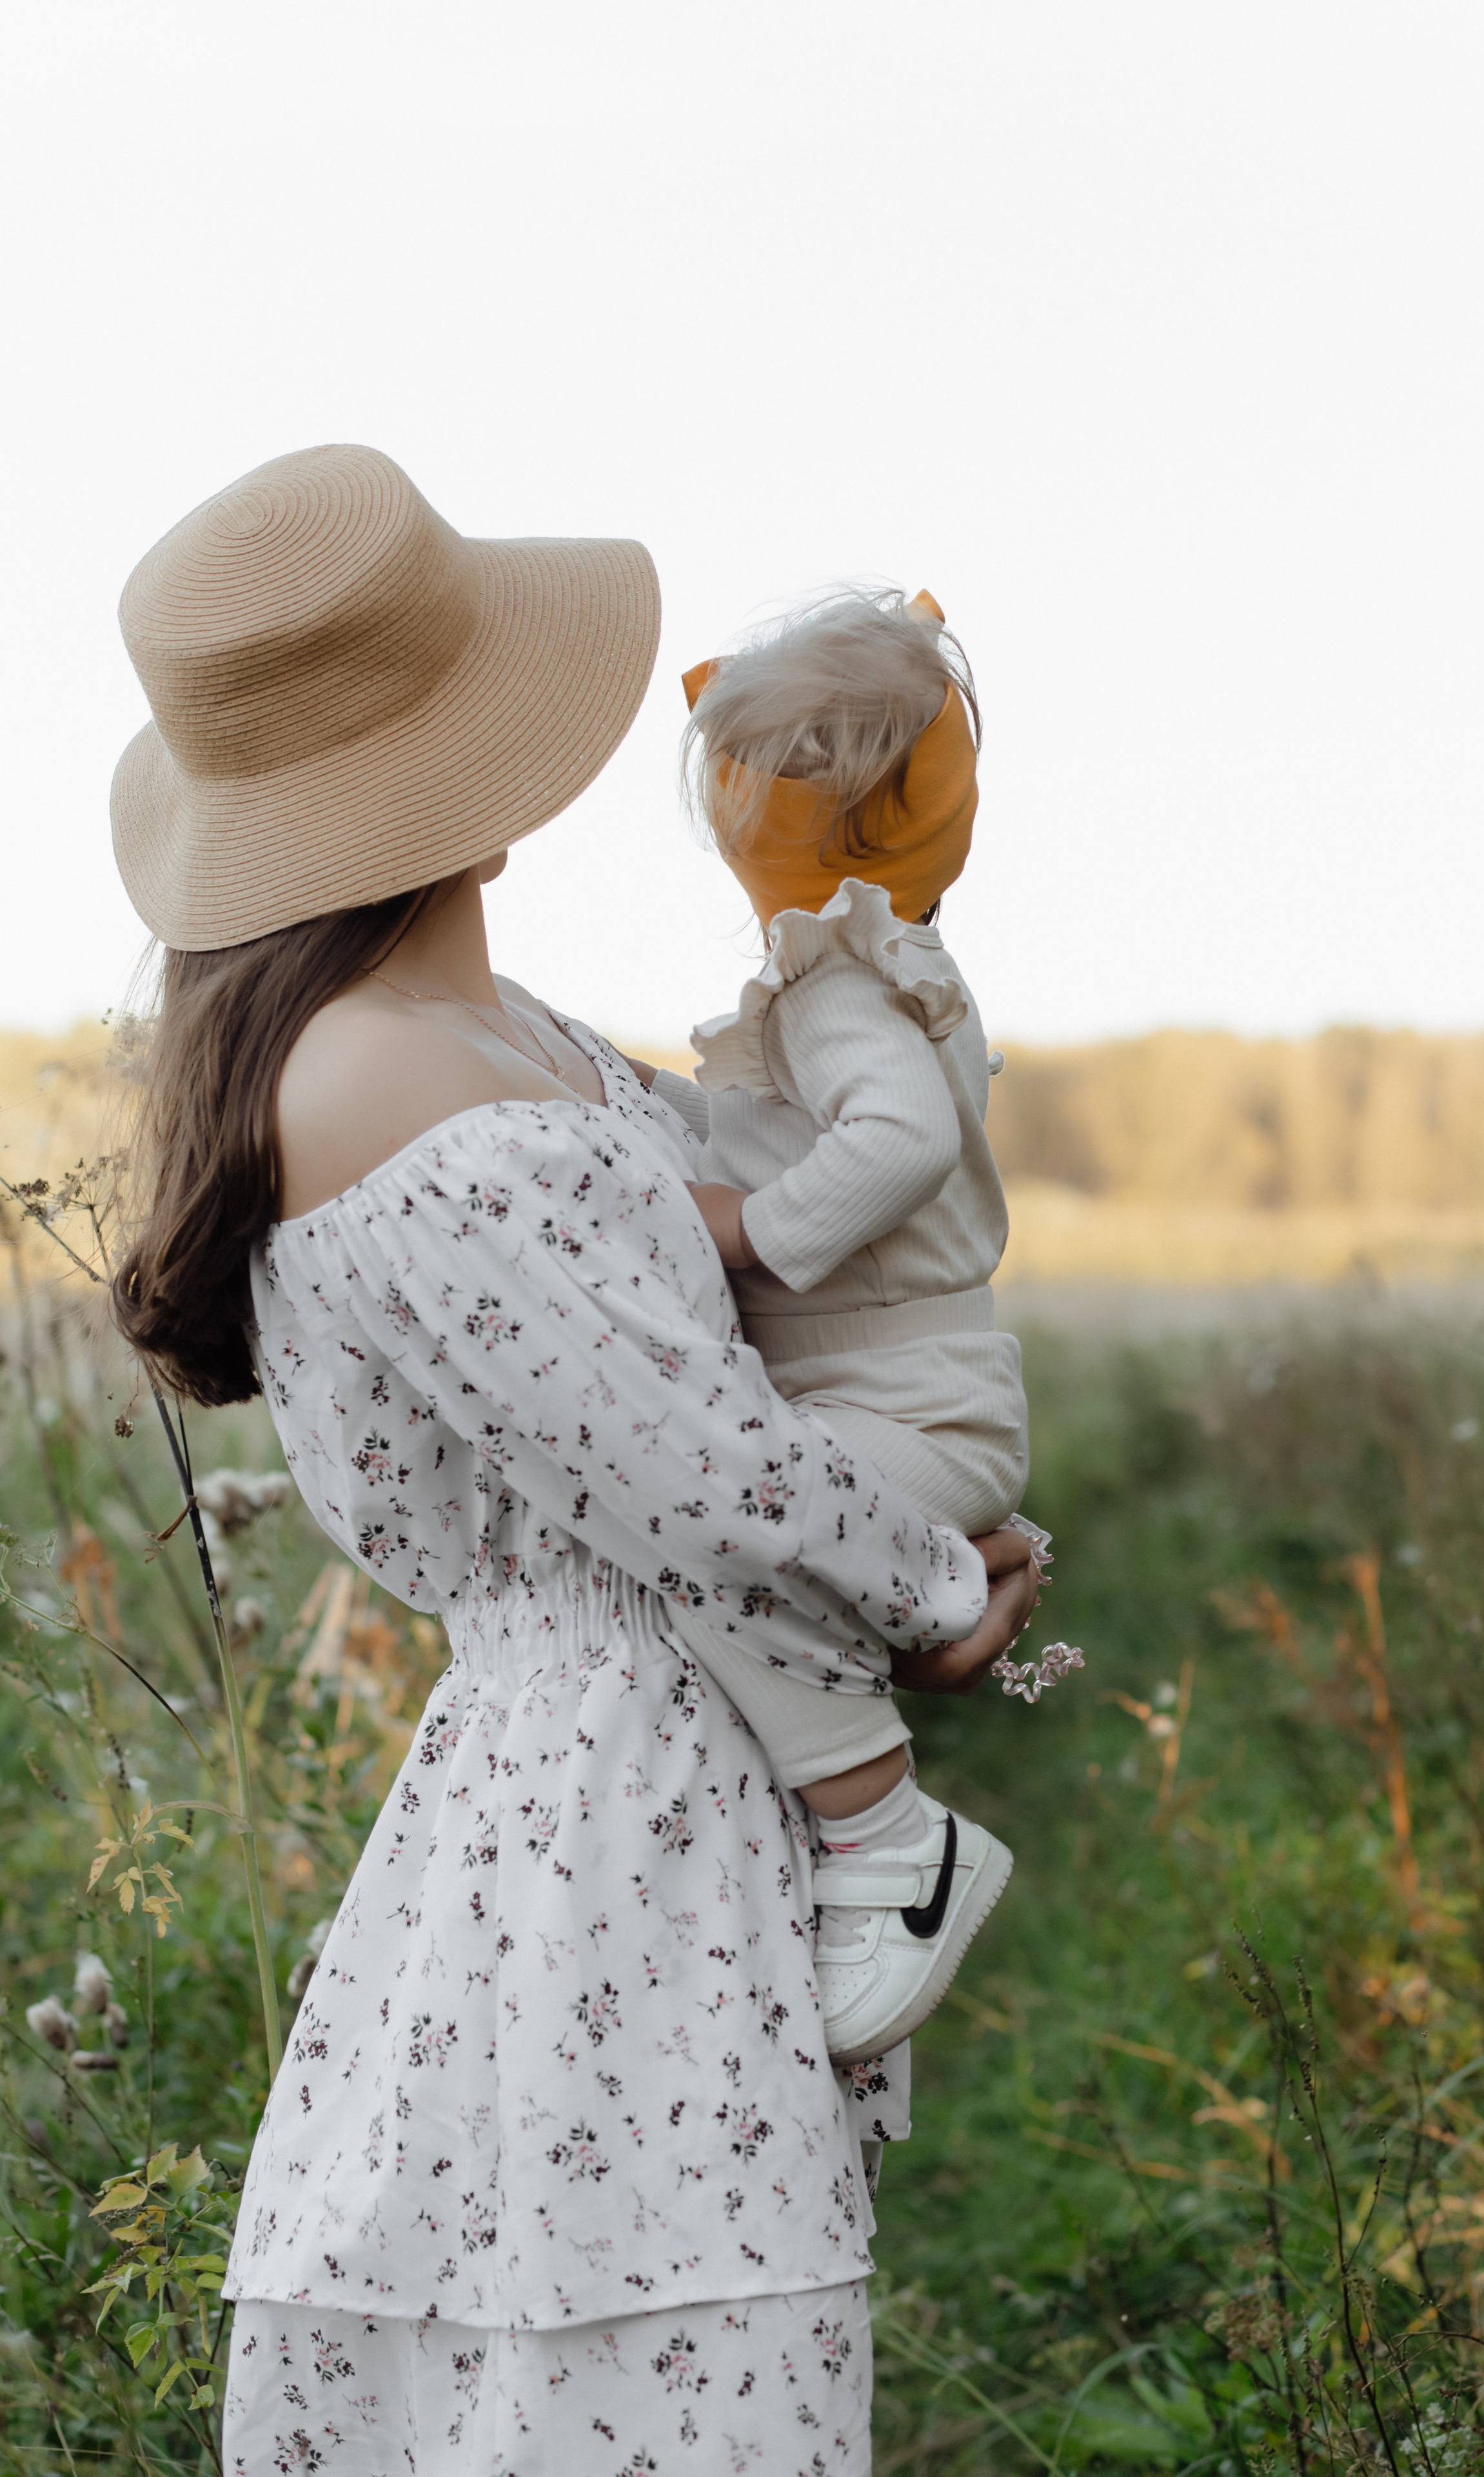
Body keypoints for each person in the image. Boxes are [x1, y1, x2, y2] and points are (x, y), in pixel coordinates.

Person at [108, 444, 1040, 2474]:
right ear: (472, 776)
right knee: (626, 2347)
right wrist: (936, 1591)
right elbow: (690, 1474)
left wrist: (870, 977)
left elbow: (738, 1207)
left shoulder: (478, 1033)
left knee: (613, 2345)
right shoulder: (406, 1095)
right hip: (609, 1791)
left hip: (633, 1760)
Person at [631, 587, 1031, 2069]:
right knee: (738, 1531)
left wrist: (746, 1241)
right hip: (915, 1397)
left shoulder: (836, 990)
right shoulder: (887, 966)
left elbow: (896, 1145)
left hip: (908, 1408)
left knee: (719, 1536)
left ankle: (886, 1842)